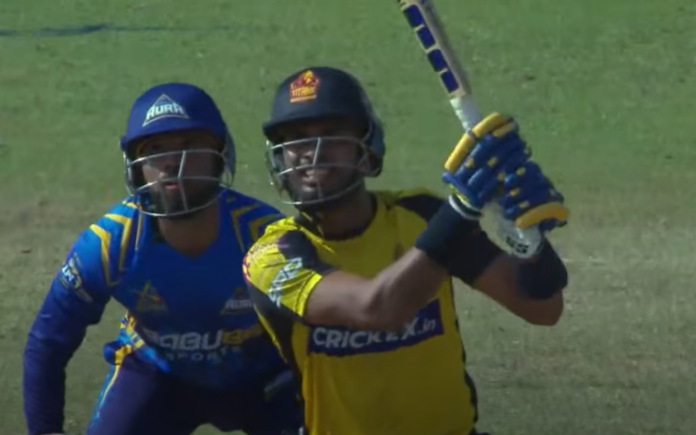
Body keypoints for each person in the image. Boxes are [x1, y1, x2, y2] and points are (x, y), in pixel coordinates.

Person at [242, 66, 570, 435]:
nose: (312, 153)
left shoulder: (422, 216)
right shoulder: (271, 258)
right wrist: (463, 209)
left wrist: (529, 244)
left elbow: (544, 308)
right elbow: (376, 309)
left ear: (368, 150)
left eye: (331, 135)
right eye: (297, 140)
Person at [23, 83, 303, 435]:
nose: (173, 163)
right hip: (156, 373)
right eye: (155, 150)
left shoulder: (266, 235)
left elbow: (323, 331)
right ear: (135, 168)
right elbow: (48, 341)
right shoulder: (110, 244)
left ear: (220, 155)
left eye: (189, 145)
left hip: (264, 376)